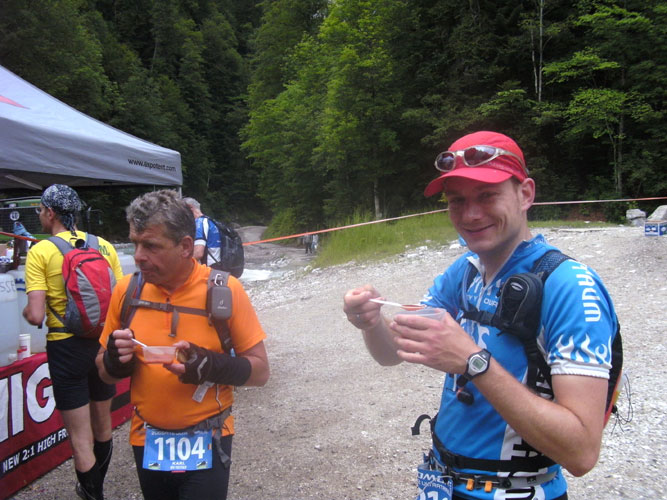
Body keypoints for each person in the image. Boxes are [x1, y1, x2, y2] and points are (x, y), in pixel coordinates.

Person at [343, 131, 617, 500]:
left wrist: (474, 363)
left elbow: (582, 452)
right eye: (457, 201)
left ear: (525, 194)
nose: (470, 215)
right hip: (443, 483)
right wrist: (372, 320)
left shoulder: (569, 285)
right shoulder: (465, 271)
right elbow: (393, 353)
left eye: (487, 196)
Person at [96, 190, 269, 500]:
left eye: (151, 245)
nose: (138, 256)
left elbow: (261, 372)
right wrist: (113, 360)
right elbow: (103, 373)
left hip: (209, 434)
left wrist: (210, 365)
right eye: (135, 243)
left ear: (186, 247)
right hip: (146, 437)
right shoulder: (126, 291)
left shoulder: (225, 290)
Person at [23, 184, 124, 500]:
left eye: (41, 210)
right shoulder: (104, 246)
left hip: (66, 348)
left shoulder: (41, 251)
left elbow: (35, 315)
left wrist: (26, 310)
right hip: (102, 344)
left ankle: (93, 494)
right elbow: (121, 302)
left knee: (80, 439)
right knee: (103, 426)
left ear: (51, 213)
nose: (40, 215)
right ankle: (96, 489)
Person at [183, 197, 221, 267]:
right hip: (218, 265)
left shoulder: (199, 223)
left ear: (190, 208)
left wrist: (182, 266)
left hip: (208, 268)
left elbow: (198, 253)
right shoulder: (210, 221)